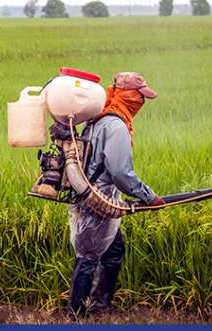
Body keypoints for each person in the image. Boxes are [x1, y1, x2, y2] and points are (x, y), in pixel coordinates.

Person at [67, 72, 164, 315]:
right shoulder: (116, 125)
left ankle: (100, 306)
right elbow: (121, 173)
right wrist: (148, 197)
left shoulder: (98, 119)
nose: (141, 103)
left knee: (114, 250)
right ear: (129, 96)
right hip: (97, 202)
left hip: (94, 197)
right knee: (88, 257)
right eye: (140, 97)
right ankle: (76, 314)